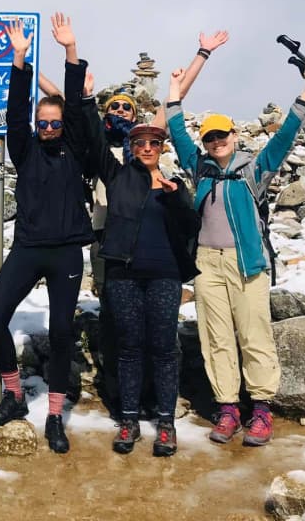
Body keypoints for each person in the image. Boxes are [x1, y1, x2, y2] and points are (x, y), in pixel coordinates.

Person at [165, 62, 305, 447]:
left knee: (254, 335)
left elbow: (285, 136)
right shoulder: (199, 168)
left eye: (222, 134)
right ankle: (227, 409)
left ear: (235, 136)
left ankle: (262, 410)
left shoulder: (256, 169)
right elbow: (177, 133)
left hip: (248, 263)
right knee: (215, 337)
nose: (215, 141)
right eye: (210, 137)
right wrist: (173, 94)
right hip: (207, 264)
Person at [91, 32, 229, 421]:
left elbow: (171, 107)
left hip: (154, 253)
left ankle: (156, 404)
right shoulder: (106, 158)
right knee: (119, 327)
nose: (120, 111)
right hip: (111, 243)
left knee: (156, 336)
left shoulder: (145, 144)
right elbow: (76, 118)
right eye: (113, 106)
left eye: (127, 107)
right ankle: (124, 400)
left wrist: (201, 55)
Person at [0, 14, 92, 454]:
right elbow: (14, 112)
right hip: (28, 248)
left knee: (62, 332)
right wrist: (20, 58)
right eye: (41, 123)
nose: (47, 128)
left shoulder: (75, 150)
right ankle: (13, 395)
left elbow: (81, 116)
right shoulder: (24, 150)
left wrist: (70, 52)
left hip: (65, 252)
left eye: (53, 123)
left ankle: (55, 416)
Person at [83, 112, 200, 456]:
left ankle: (166, 423)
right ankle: (129, 420)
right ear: (131, 148)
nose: (147, 148)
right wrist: (87, 96)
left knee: (164, 349)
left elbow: (192, 226)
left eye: (153, 143)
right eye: (140, 143)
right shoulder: (119, 177)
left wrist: (176, 197)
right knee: (129, 347)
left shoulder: (175, 184)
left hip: (165, 274)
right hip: (124, 275)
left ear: (162, 148)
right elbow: (93, 138)